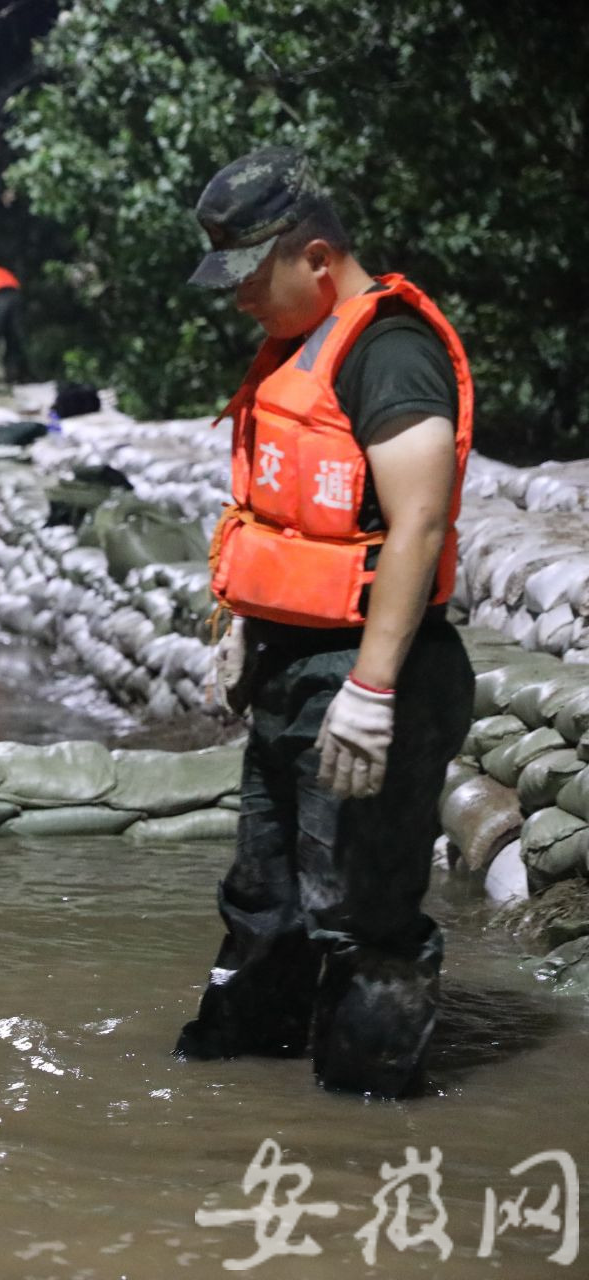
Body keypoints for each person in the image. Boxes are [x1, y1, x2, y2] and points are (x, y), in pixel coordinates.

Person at [175, 147, 474, 1099]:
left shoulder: (389, 352)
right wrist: (242, 632)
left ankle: (365, 1121)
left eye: (250, 279)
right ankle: (232, 1085)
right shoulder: (293, 350)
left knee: (361, 914)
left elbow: (418, 521)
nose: (238, 303)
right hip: (293, 671)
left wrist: (373, 691)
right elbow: (285, 521)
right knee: (267, 900)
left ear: (314, 255)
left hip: (368, 674)